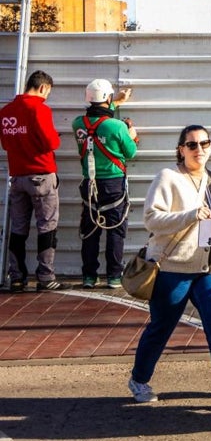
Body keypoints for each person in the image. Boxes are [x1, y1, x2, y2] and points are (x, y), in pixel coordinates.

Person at [127, 125, 211, 410]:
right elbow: (151, 219)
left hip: (210, 265)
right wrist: (189, 215)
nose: (199, 150)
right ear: (181, 149)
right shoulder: (168, 178)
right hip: (174, 265)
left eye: (204, 143)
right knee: (162, 326)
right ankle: (139, 379)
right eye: (192, 145)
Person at [72, 79, 138, 289]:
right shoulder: (118, 126)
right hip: (114, 185)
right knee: (116, 229)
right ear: (108, 97)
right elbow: (131, 153)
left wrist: (115, 103)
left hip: (89, 184)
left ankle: (89, 276)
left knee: (90, 229)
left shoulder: (78, 123)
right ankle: (114, 277)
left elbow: (97, 120)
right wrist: (132, 136)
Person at [1, 70, 61, 291]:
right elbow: (51, 142)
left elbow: (6, 144)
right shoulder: (39, 109)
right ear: (43, 87)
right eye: (48, 92)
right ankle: (46, 277)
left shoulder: (6, 111)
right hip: (41, 175)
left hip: (17, 176)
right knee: (47, 227)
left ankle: (16, 277)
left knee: (18, 228)